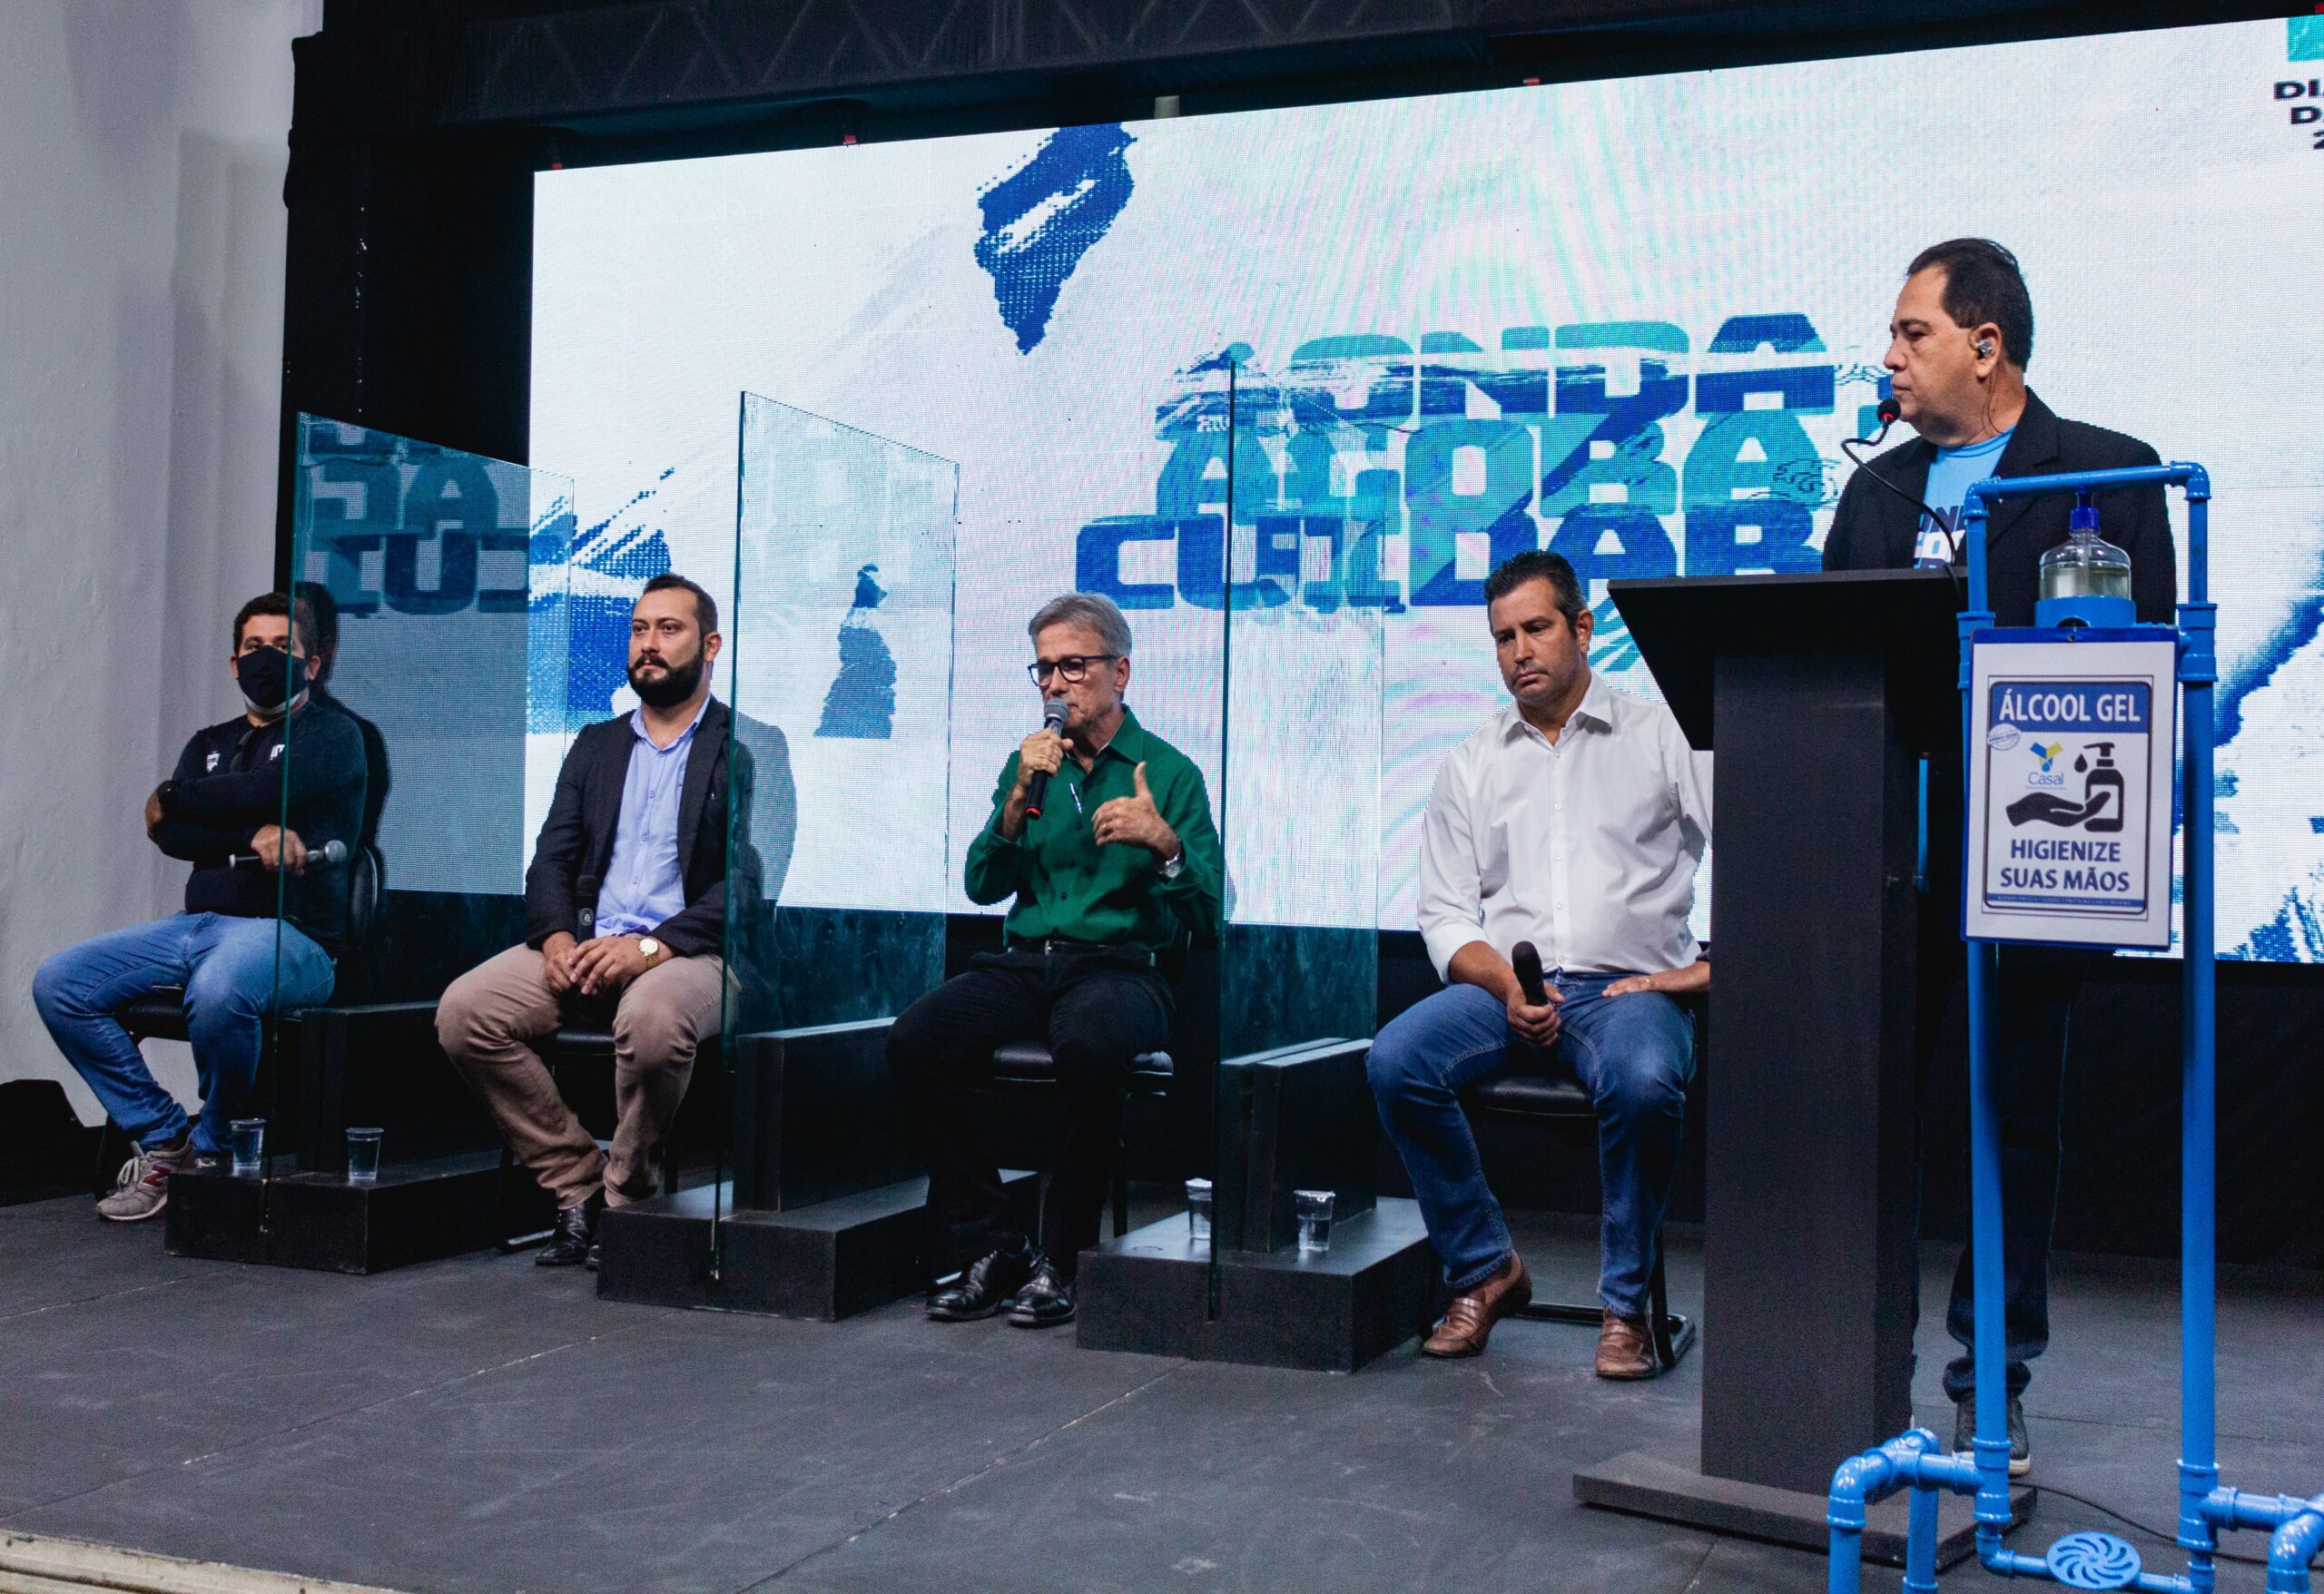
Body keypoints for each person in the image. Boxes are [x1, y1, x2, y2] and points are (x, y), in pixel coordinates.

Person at [1823, 237, 2176, 1473]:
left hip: (2033, 861)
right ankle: (1847, 1376)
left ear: (1986, 344)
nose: (1887, 356)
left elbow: (2140, 670)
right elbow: (1825, 666)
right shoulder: (1875, 493)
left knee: (2010, 1124)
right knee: (1864, 1122)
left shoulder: (2107, 476)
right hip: (1883, 864)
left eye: (1910, 332)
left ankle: (1988, 1384)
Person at [1366, 550, 1710, 1374]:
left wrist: (1699, 971)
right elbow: (1446, 913)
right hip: (1510, 990)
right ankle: (1485, 1269)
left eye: (1536, 629)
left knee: (1643, 1082)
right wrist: (1505, 987)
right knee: (1396, 1060)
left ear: (1581, 629)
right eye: (1503, 638)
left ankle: (1625, 1308)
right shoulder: (1472, 760)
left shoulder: (1662, 735)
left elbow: (1763, 853)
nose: (1519, 652)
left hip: (1629, 992)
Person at [888, 592, 1220, 1329]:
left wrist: (1166, 847)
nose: (1055, 686)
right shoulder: (1030, 763)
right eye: (1043, 670)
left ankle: (1062, 1259)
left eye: (1073, 666)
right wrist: (1015, 801)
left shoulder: (1170, 772)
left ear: (1119, 672)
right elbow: (982, 884)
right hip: (1027, 961)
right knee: (915, 1040)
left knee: (1090, 1042)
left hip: (1123, 967)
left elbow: (1209, 915)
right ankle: (994, 1242)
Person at [436, 574, 752, 1267]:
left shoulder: (747, 746)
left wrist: (650, 949)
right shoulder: (596, 745)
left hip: (694, 954)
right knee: (466, 1012)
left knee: (653, 1023)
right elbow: (551, 858)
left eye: (668, 629)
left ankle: (625, 1198)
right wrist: (556, 941)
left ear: (711, 645)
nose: (648, 644)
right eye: (639, 629)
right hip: (587, 943)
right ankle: (575, 1183)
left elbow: (748, 886)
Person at [33, 593, 367, 1220]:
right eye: (254, 648)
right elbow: (172, 836)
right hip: (194, 927)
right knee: (61, 982)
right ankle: (164, 1136)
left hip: (292, 935)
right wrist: (246, 831)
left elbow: (265, 789)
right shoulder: (209, 741)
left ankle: (213, 1149)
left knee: (218, 990)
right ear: (234, 663)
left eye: (283, 648)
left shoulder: (335, 735)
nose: (266, 659)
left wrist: (174, 795)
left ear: (313, 665)